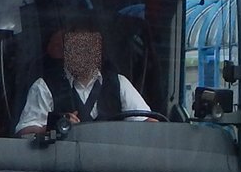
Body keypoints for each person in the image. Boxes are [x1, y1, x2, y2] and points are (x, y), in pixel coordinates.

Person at [15, 13, 154, 136]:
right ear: (66, 50)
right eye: (76, 46)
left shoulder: (119, 83)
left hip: (110, 162)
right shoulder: (44, 86)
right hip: (61, 162)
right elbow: (24, 132)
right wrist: (56, 126)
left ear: (98, 51)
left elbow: (150, 124)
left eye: (88, 46)